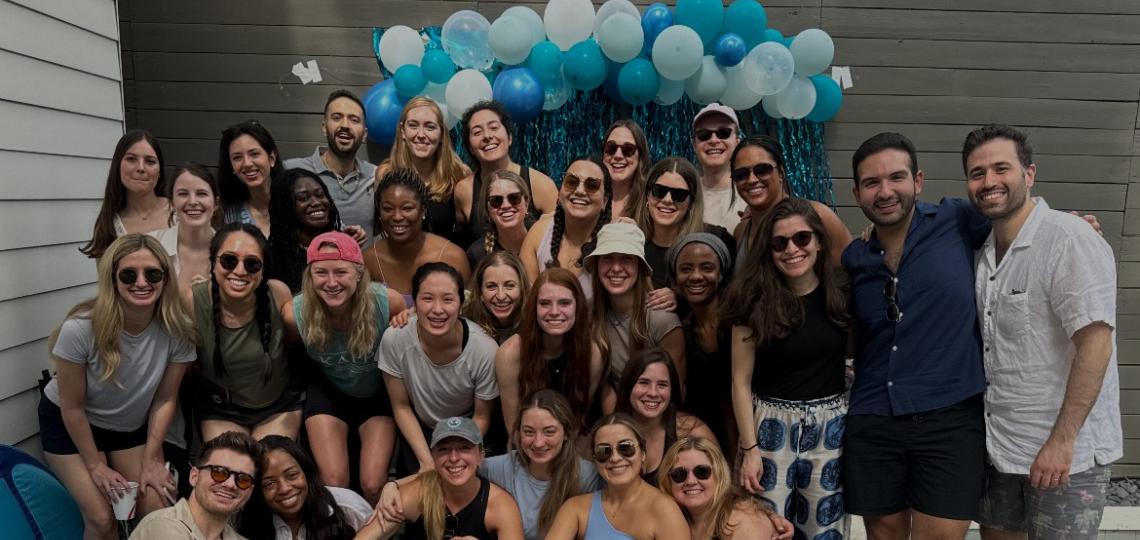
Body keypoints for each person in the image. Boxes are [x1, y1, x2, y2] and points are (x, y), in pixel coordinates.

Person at [962, 125, 1120, 538]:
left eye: (1001, 168)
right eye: (977, 173)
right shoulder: (983, 254)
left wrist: (1062, 441)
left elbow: (1096, 345)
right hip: (1001, 449)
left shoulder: (1069, 239)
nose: (989, 181)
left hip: (1067, 457)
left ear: (1029, 174)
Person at [841, 132, 991, 539]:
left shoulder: (957, 219)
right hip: (874, 415)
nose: (885, 191)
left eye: (896, 177)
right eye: (871, 183)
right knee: (883, 535)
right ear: (857, 194)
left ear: (918, 181)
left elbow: (1014, 216)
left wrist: (1066, 225)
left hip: (950, 413)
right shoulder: (855, 257)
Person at [40, 234, 196, 539]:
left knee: (158, 506)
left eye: (153, 274)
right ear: (112, 279)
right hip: (72, 423)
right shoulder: (81, 329)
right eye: (129, 275)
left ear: (165, 279)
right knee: (102, 519)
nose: (142, 282)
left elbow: (166, 399)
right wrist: (96, 466)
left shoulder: (178, 330)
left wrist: (151, 460)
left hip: (127, 426)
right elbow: (72, 407)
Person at [726, 198, 851, 538]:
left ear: (819, 241)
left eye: (802, 238)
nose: (791, 249)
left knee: (824, 528)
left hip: (829, 429)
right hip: (769, 428)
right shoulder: (751, 299)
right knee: (764, 526)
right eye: (779, 243)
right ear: (768, 250)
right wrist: (750, 449)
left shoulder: (840, 292)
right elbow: (740, 381)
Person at [282, 231, 406, 504]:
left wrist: (410, 316)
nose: (331, 282)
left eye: (340, 272)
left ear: (359, 273)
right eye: (321, 273)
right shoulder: (294, 314)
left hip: (376, 393)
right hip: (329, 391)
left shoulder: (387, 302)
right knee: (335, 483)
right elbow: (289, 353)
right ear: (310, 276)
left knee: (373, 485)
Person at [377, 390, 602, 540]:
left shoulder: (587, 475)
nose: (538, 442)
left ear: (566, 433)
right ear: (517, 433)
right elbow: (450, 467)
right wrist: (394, 486)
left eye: (549, 432)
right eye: (529, 432)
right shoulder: (502, 467)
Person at [379, 262, 499, 474]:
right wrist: (427, 462)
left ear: (461, 304)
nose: (437, 309)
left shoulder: (484, 349)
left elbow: (482, 417)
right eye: (427, 298)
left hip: (467, 427)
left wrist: (456, 455)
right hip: (420, 428)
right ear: (414, 303)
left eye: (448, 299)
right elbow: (401, 407)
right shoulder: (395, 338)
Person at [185, 223, 300, 442]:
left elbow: (292, 341)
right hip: (221, 409)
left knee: (270, 460)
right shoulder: (193, 301)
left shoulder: (277, 293)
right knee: (230, 463)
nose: (239, 271)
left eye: (252, 264)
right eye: (229, 260)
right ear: (213, 263)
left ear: (263, 269)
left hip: (278, 405)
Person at [356, 417, 525, 540]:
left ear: (481, 456)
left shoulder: (499, 505)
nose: (454, 458)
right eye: (444, 449)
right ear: (433, 457)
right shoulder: (419, 493)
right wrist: (391, 486)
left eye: (464, 448)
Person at [546, 413, 691, 539]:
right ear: (595, 459)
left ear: (643, 453)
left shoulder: (665, 510)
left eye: (625, 447)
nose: (615, 458)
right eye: (604, 451)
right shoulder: (575, 508)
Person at [496, 268, 604, 434]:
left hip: (570, 440)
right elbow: (513, 428)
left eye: (564, 303)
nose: (554, 312)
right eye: (545, 303)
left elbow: (579, 420)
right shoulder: (510, 353)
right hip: (525, 441)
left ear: (578, 306)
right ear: (534, 307)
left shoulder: (592, 353)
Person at [587, 222, 685, 396]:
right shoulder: (588, 312)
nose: (616, 268)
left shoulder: (662, 319)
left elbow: (676, 393)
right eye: (608, 258)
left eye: (626, 259)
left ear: (640, 267)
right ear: (597, 265)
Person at [730, 136, 851, 271]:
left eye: (762, 170)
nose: (752, 180)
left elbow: (851, 273)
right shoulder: (741, 232)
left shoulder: (819, 216)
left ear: (781, 173)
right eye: (741, 174)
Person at [666, 233, 736, 450]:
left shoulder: (740, 322)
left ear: (721, 274)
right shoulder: (682, 331)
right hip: (705, 443)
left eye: (707, 268)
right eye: (686, 269)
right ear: (675, 279)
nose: (696, 276)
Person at [455, 101, 558, 245]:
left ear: (509, 137)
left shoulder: (541, 185)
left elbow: (560, 239)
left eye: (493, 127)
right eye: (477, 132)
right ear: (470, 148)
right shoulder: (463, 191)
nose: (487, 136)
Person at [365, 167, 471, 305]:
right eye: (387, 209)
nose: (397, 217)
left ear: (423, 210)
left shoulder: (452, 257)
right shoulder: (369, 260)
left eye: (407, 208)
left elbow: (469, 313)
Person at [285, 89, 377, 244]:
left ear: (365, 134)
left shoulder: (375, 175)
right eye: (337, 117)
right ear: (324, 127)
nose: (345, 125)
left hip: (362, 260)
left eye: (354, 120)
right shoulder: (292, 171)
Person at [131, 431, 263, 540]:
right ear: (194, 476)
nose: (230, 484)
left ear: (250, 492)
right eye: (219, 472)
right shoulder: (162, 526)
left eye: (243, 479)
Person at [238, 435, 373, 539]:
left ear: (306, 472)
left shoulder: (347, 506)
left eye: (292, 475)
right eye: (269, 484)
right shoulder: (249, 522)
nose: (284, 489)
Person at [658, 437, 793, 540]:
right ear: (668, 480)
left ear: (719, 475)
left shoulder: (742, 520)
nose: (690, 481)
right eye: (679, 474)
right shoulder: (676, 517)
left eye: (702, 472)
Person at [615, 348, 715, 486]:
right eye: (644, 382)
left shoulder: (692, 431)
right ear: (628, 385)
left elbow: (721, 487)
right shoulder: (610, 433)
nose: (653, 393)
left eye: (662, 385)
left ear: (671, 390)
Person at [375, 97, 468, 244]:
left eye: (430, 127)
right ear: (403, 131)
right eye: (413, 126)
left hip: (445, 256)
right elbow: (379, 228)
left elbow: (466, 233)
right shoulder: (385, 174)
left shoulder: (459, 173)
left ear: (442, 134)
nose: (421, 135)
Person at [637, 157, 735, 288]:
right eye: (659, 191)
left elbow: (731, 294)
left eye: (679, 194)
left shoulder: (717, 240)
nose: (667, 200)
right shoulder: (634, 246)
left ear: (691, 203)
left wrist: (680, 296)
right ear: (647, 195)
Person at [520, 155, 612, 295]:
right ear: (560, 192)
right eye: (571, 182)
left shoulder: (615, 241)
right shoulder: (539, 233)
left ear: (605, 200)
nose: (580, 191)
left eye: (592, 185)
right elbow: (526, 300)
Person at [81, 129, 172, 259]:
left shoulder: (179, 212)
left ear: (160, 171)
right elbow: (105, 272)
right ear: (118, 166)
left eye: (150, 161)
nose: (141, 168)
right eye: (131, 159)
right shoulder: (109, 227)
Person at [267, 168, 344, 292]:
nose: (316, 202)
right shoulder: (274, 258)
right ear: (285, 206)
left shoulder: (342, 245)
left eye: (320, 195)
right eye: (303, 198)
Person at [150, 162, 217, 293]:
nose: (192, 202)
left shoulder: (231, 251)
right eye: (183, 194)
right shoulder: (151, 245)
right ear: (172, 203)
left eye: (201, 193)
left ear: (216, 203)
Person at [218, 120, 285, 236]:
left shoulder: (297, 203)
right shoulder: (228, 214)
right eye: (237, 157)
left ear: (272, 158)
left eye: (254, 154)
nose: (247, 163)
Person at [690, 104, 748, 232]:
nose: (714, 140)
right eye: (704, 134)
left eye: (723, 133)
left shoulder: (752, 193)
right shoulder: (683, 194)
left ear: (737, 142)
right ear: (694, 145)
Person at [466, 169, 535, 269]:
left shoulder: (545, 240)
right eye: (496, 200)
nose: (506, 205)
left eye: (514, 198)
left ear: (526, 203)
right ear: (487, 209)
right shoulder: (476, 254)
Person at [464, 250, 530, 344]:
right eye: (491, 286)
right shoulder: (467, 328)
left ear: (522, 289)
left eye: (509, 286)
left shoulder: (535, 324)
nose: (501, 296)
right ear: (480, 292)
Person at [601, 119, 650, 221]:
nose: (618, 155)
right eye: (611, 147)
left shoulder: (650, 202)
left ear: (640, 156)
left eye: (628, 149)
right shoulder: (588, 193)